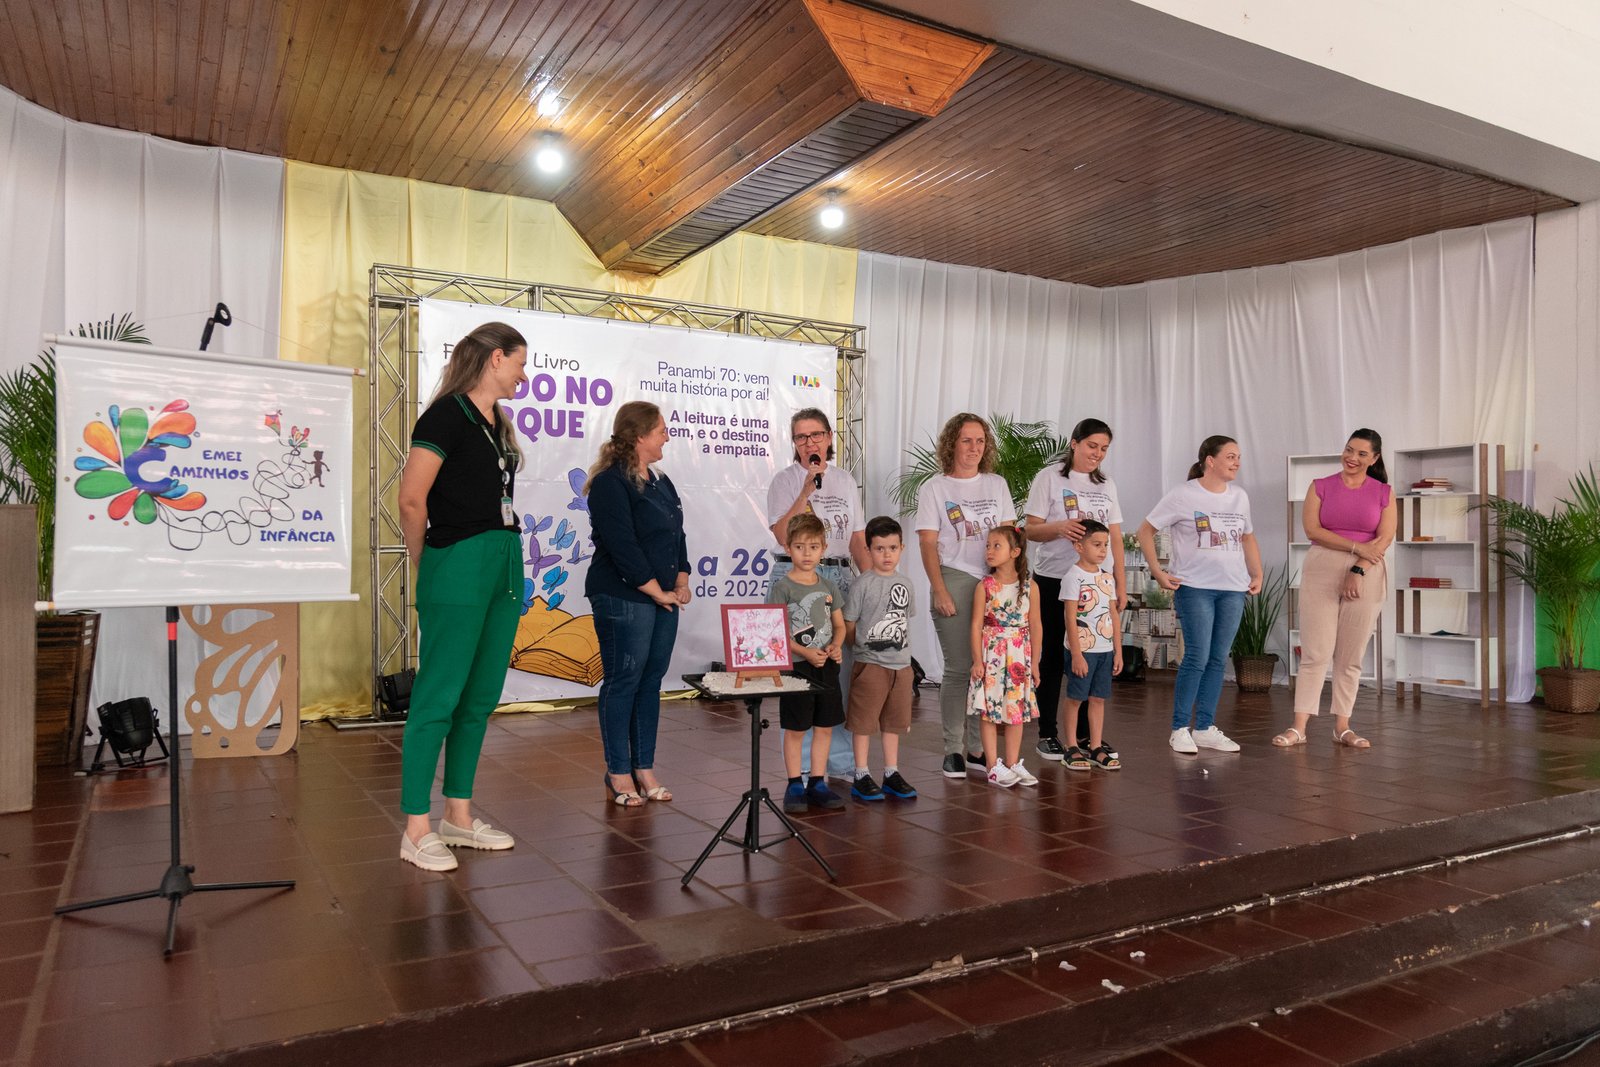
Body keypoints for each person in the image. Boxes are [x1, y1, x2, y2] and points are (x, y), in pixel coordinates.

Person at [395, 322, 528, 872]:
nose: (524, 375)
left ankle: (458, 815)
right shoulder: (445, 415)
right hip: (457, 562)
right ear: (495, 358)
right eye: (520, 363)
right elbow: (411, 500)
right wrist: (426, 561)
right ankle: (415, 828)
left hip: (503, 559)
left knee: (479, 697)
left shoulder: (499, 422)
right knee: (438, 696)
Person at [584, 400, 690, 807]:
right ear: (640, 435)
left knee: (650, 681)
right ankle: (619, 772)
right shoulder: (610, 483)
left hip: (661, 596)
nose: (667, 437)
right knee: (624, 679)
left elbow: (677, 534)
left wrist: (681, 578)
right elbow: (622, 544)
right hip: (623, 595)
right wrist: (655, 590)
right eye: (661, 430)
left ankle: (644, 767)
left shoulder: (661, 481)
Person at [1137, 435, 1263, 755]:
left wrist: (1257, 573)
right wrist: (1158, 571)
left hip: (1233, 589)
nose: (1237, 462)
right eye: (1230, 456)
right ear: (1210, 460)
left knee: (1218, 658)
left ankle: (1204, 727)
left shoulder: (1240, 497)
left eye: (1238, 457)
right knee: (1198, 655)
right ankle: (1180, 728)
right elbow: (1145, 531)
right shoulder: (1183, 494)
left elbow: (1247, 538)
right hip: (1195, 588)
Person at [1276, 429, 1396, 749]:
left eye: (1361, 453)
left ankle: (1342, 726)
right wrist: (1356, 547)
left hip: (1367, 572)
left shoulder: (1384, 492)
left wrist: (1358, 568)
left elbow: (1384, 538)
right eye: (1348, 450)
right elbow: (1313, 530)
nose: (1352, 458)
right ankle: (1299, 727)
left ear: (1374, 459)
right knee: (1315, 652)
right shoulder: (1320, 486)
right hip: (1322, 568)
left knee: (1350, 655)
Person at [766, 407, 868, 782]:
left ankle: (836, 763)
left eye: (816, 435)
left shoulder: (845, 480)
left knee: (837, 669)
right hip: (796, 574)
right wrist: (806, 490)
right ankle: (804, 765)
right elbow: (783, 534)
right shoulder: (784, 481)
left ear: (829, 437)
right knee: (800, 670)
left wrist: (872, 582)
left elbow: (856, 538)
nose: (809, 442)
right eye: (801, 437)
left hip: (838, 575)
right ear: (794, 443)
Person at [915, 413, 1016, 779]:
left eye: (980, 441)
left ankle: (976, 749)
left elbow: (1009, 536)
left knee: (985, 667)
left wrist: (1011, 584)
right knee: (960, 667)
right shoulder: (935, 488)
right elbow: (928, 544)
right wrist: (939, 589)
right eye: (966, 441)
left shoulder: (996, 484)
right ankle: (952, 749)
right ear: (951, 445)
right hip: (954, 578)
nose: (974, 448)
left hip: (993, 581)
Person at [1024, 417, 1126, 763]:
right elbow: (1030, 530)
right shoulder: (1050, 478)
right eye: (1092, 446)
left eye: (1104, 449)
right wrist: (1060, 527)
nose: (1097, 453)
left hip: (1097, 584)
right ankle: (1047, 733)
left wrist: (1118, 582)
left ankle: (1086, 736)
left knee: (1092, 655)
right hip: (1055, 578)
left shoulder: (1107, 484)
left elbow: (1115, 537)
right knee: (1054, 656)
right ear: (1074, 443)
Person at [768, 513, 847, 812]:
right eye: (800, 547)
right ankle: (794, 783)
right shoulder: (782, 588)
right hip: (797, 668)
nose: (807, 554)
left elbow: (839, 626)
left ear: (823, 548)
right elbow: (775, 632)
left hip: (826, 665)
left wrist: (835, 646)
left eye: (813, 547)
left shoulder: (828, 586)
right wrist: (803, 651)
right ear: (788, 548)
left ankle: (817, 781)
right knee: (796, 728)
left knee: (824, 726)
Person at [843, 516, 919, 802]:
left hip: (901, 666)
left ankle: (891, 772)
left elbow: (904, 620)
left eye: (892, 548)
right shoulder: (862, 584)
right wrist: (862, 650)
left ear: (902, 548)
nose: (887, 555)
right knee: (863, 722)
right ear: (868, 550)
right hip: (871, 664)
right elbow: (849, 623)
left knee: (893, 723)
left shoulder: (906, 583)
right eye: (879, 548)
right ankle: (861, 773)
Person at [967, 526, 1041, 787]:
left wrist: (1035, 663)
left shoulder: (1030, 586)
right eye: (988, 545)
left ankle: (1012, 763)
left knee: (1015, 709)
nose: (989, 550)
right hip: (993, 655)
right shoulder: (985, 586)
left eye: (996, 545)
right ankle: (992, 766)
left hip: (1019, 654)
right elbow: (976, 625)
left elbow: (1036, 625)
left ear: (1015, 552)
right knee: (990, 710)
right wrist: (978, 660)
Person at [1060, 520, 1124, 770]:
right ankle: (1071, 746)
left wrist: (1118, 651)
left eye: (1105, 545)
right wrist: (1076, 654)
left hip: (1104, 650)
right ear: (1079, 546)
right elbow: (1070, 617)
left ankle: (1095, 747)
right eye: (1096, 544)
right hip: (1083, 651)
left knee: (1098, 698)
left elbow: (1113, 615)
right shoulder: (1073, 577)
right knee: (1076, 698)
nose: (1103, 550)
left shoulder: (1107, 578)